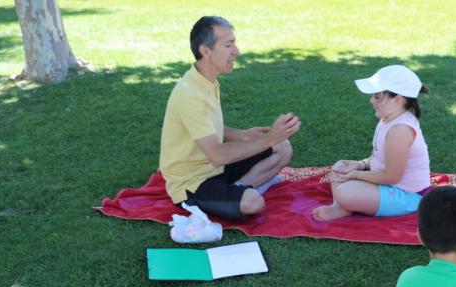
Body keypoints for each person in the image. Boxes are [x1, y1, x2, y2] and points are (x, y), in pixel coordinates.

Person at [159, 16, 301, 220]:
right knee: (254, 203)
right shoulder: (190, 93)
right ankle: (242, 192)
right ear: (205, 50)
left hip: (216, 169)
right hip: (193, 183)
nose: (237, 51)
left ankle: (236, 189)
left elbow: (207, 127)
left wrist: (242, 135)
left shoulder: (205, 80)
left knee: (283, 146)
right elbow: (217, 156)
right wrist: (269, 138)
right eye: (228, 45)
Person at [312, 65, 430, 221]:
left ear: (398, 100)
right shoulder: (387, 119)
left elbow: (392, 177)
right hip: (388, 186)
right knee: (340, 166)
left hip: (408, 196)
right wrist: (360, 164)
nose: (371, 100)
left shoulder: (399, 131)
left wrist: (356, 174)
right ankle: (340, 206)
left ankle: (343, 203)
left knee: (346, 192)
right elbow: (380, 158)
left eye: (377, 96)